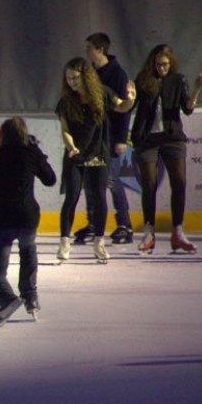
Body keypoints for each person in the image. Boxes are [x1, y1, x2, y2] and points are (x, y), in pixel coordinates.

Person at [0, 117, 57, 329]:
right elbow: (50, 179)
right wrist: (37, 153)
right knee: (28, 249)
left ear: (2, 136)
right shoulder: (31, 155)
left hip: (1, 220)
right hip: (27, 218)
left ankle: (8, 299)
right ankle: (30, 295)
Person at [55, 57, 136, 262]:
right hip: (75, 154)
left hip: (98, 154)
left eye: (75, 78)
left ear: (85, 77)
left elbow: (121, 107)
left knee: (99, 197)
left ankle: (99, 243)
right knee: (71, 196)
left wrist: (131, 100)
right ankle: (64, 242)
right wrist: (71, 146)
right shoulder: (66, 102)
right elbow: (65, 129)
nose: (72, 82)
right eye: (68, 78)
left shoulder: (102, 93)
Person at [130, 44, 202, 254]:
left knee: (180, 182)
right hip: (147, 139)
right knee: (148, 184)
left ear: (170, 63)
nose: (161, 69)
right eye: (157, 65)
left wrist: (197, 88)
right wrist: (128, 98)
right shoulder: (143, 80)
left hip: (172, 138)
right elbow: (128, 106)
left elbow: (188, 108)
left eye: (165, 65)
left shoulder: (178, 80)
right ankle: (149, 232)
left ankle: (178, 232)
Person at [79, 32, 134, 245]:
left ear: (100, 49)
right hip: (93, 137)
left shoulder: (117, 74)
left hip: (110, 137)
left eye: (89, 48)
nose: (87, 52)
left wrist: (121, 138)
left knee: (110, 179)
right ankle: (93, 222)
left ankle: (124, 223)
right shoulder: (91, 73)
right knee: (91, 181)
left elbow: (124, 108)